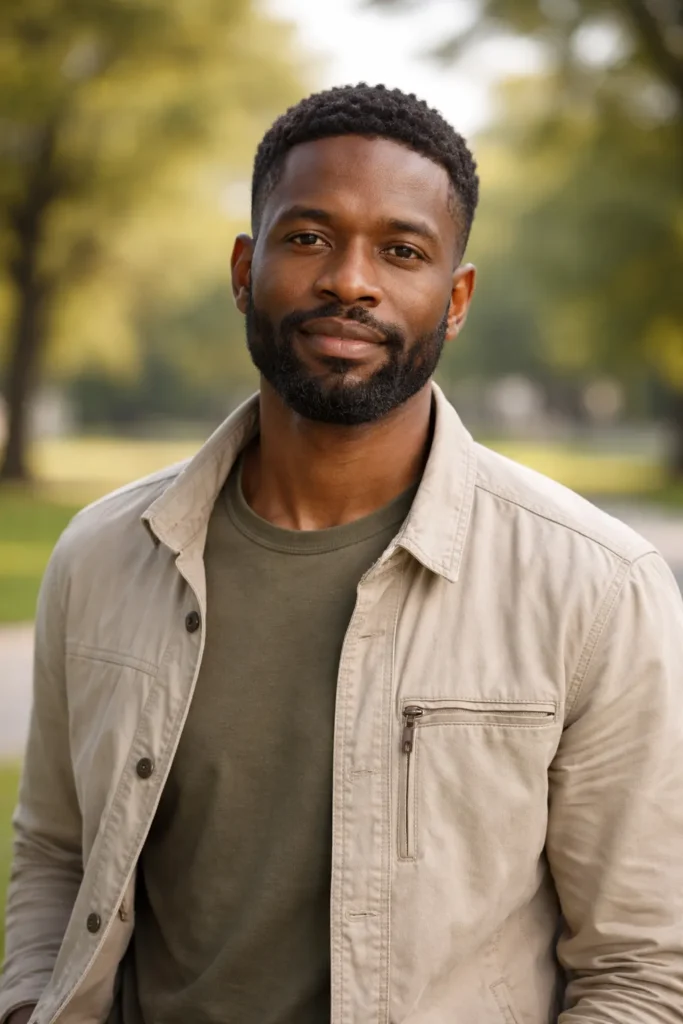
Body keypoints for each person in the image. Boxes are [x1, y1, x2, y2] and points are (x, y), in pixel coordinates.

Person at [1, 82, 683, 1024]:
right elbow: (56, 858)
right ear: (245, 269)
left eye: (400, 251)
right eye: (308, 238)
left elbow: (639, 968)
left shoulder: (597, 586)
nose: (349, 281)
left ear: (456, 299)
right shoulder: (103, 556)